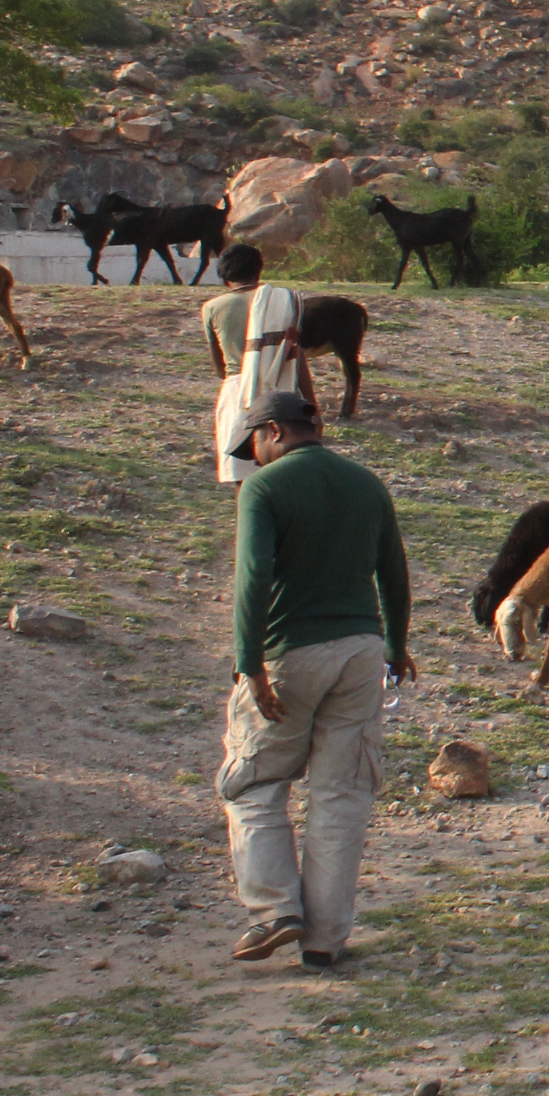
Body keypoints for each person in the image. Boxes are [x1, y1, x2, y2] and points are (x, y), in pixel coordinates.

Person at [218, 388, 413, 970]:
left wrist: (250, 662)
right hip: (361, 652)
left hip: (290, 653)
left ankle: (276, 909)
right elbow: (394, 571)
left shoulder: (264, 488)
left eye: (254, 443)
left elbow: (253, 577)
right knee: (342, 793)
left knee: (253, 782)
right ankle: (325, 940)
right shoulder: (367, 484)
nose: (254, 456)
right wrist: (396, 647)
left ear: (274, 431)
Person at [204, 245, 312, 486]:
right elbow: (296, 357)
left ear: (223, 275)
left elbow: (220, 369)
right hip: (283, 392)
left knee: (243, 481)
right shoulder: (284, 302)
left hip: (238, 395)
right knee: (283, 478)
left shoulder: (212, 308)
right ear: (259, 269)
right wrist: (311, 405)